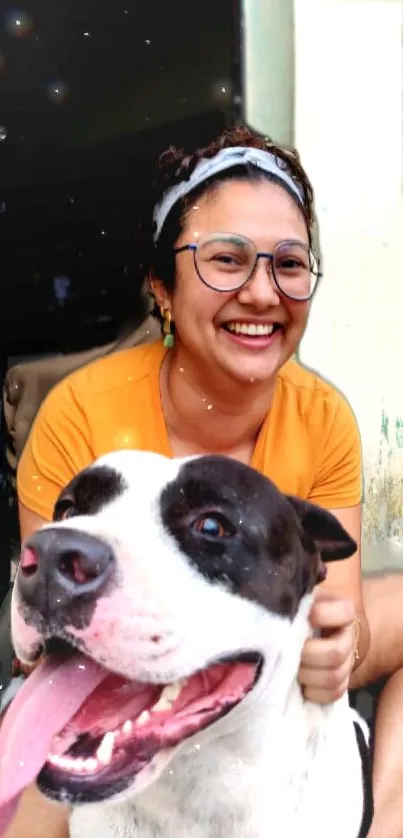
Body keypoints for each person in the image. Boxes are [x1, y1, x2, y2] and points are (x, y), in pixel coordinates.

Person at [5, 124, 403, 838]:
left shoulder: (322, 416)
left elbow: (334, 628)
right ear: (161, 288)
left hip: (273, 653)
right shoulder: (82, 411)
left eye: (288, 264)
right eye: (225, 260)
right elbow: (49, 625)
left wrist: (338, 647)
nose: (261, 292)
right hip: (112, 645)